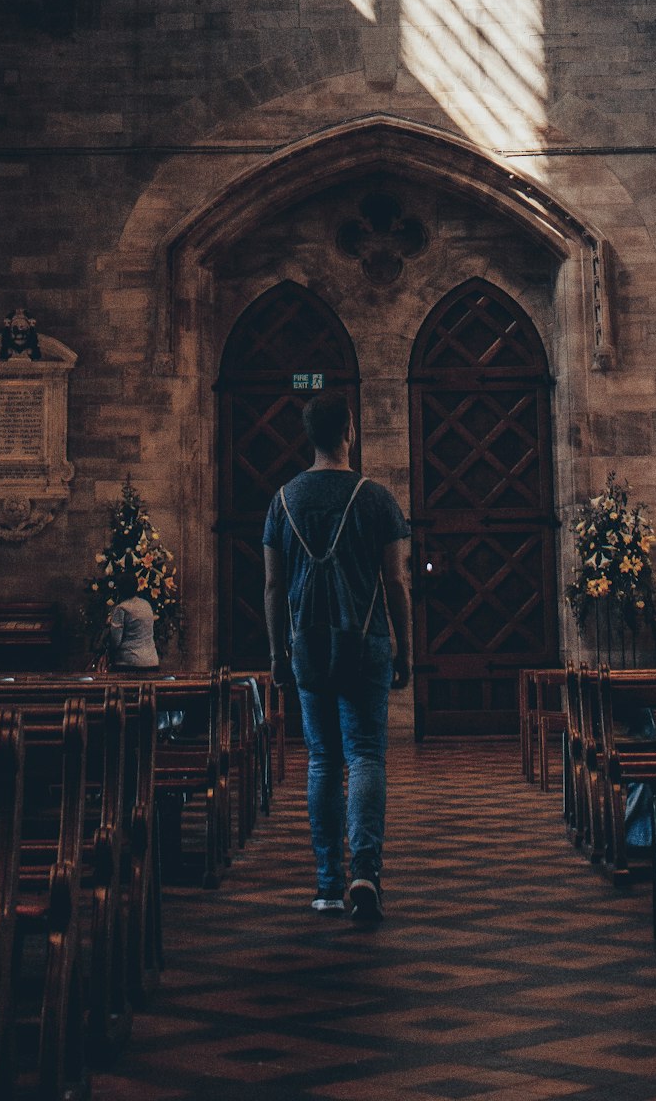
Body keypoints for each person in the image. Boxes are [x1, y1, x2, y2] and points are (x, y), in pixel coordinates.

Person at [262, 391, 412, 925]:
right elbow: (396, 581)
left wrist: (278, 652)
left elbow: (274, 585)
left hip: (307, 645)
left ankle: (327, 884)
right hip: (366, 642)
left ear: (311, 435)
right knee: (366, 754)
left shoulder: (282, 501)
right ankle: (365, 873)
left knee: (323, 759)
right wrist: (404, 651)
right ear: (349, 432)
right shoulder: (376, 499)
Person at [102, 580, 160, 672]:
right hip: (151, 662)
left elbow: (115, 641)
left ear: (119, 590)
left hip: (128, 663)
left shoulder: (121, 608)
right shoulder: (146, 605)